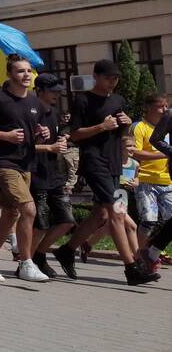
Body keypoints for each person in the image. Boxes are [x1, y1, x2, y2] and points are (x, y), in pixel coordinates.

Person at [55, 60, 157, 285]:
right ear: (97, 77)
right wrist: (101, 126)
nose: (113, 81)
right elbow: (76, 134)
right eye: (109, 77)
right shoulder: (83, 100)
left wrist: (127, 124)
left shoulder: (118, 100)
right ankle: (132, 268)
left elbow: (122, 133)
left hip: (113, 162)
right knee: (117, 213)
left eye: (116, 78)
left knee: (101, 214)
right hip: (94, 161)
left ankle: (66, 250)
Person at [0, 54, 51, 282]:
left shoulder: (36, 103)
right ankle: (26, 263)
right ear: (9, 74)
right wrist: (4, 135)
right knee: (28, 210)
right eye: (20, 71)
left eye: (28, 71)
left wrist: (42, 134)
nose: (26, 75)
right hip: (2, 163)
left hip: (25, 163)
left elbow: (35, 131)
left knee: (11, 213)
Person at [28, 73, 74, 278]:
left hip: (53, 174)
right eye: (52, 90)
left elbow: (54, 144)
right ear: (40, 90)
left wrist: (61, 142)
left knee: (67, 221)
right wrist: (48, 147)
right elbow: (23, 146)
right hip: (36, 175)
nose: (57, 94)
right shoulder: (29, 111)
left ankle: (39, 254)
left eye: (58, 90)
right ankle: (26, 263)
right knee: (40, 224)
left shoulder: (54, 113)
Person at [132, 93, 171, 271]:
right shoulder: (139, 127)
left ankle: (154, 250)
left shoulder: (168, 127)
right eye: (160, 106)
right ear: (148, 108)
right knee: (148, 220)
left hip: (167, 180)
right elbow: (135, 153)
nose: (164, 110)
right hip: (146, 181)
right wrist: (165, 153)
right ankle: (142, 254)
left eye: (166, 106)